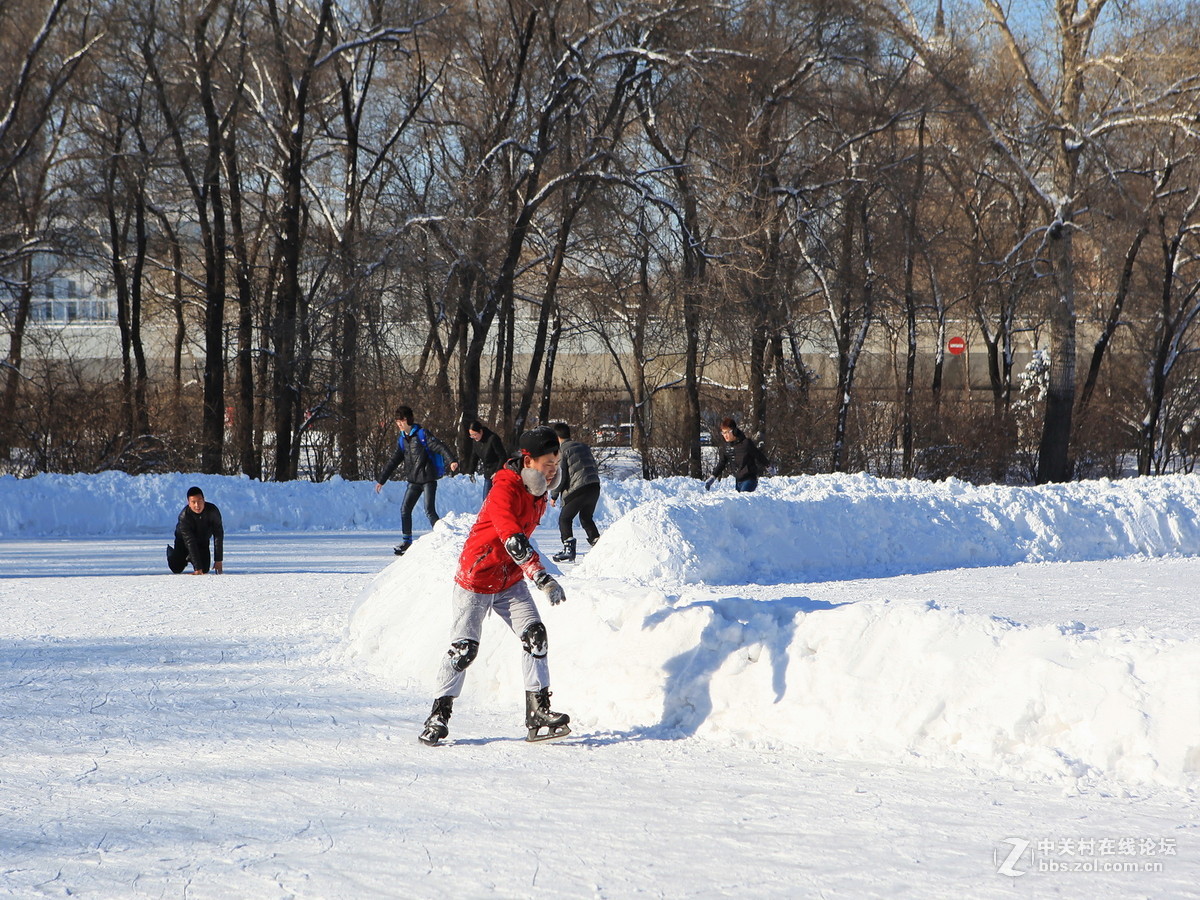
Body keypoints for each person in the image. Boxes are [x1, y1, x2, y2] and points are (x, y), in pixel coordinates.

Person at [419, 426, 571, 746]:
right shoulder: (504, 489)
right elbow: (513, 539)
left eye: (556, 462)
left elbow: (523, 542)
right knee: (464, 651)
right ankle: (438, 716)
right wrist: (541, 576)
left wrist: (529, 571)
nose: (553, 469)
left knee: (535, 636)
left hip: (509, 580)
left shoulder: (538, 492)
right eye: (548, 463)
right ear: (528, 462)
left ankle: (537, 711)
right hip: (477, 577)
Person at [374, 405, 459, 555]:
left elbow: (439, 446)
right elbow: (394, 461)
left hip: (428, 480)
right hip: (414, 481)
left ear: (406, 420)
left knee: (429, 510)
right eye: (397, 422)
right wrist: (382, 479)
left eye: (400, 421)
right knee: (405, 509)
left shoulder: (422, 434)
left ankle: (442, 538)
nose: (398, 424)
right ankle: (407, 542)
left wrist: (451, 460)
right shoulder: (402, 440)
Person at [548, 422, 601, 562]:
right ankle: (598, 544)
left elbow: (561, 475)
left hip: (579, 488)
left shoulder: (562, 451)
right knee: (586, 517)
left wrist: (553, 495)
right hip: (594, 486)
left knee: (564, 519)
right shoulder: (583, 446)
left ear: (556, 437)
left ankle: (568, 550)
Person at [167, 486, 224, 575]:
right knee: (176, 568)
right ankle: (172, 553)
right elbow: (190, 542)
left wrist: (218, 560)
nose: (197, 505)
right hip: (183, 543)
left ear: (204, 500)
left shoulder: (213, 511)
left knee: (204, 569)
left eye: (199, 501)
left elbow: (218, 535)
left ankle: (191, 557)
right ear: (189, 503)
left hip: (202, 541)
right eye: (193, 502)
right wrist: (197, 568)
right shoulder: (184, 516)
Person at [705, 416, 770, 493]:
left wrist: (768, 466)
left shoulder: (746, 443)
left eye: (727, 432)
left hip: (749, 479)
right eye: (723, 433)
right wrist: (713, 477)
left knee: (743, 499)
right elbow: (722, 463)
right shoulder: (725, 447)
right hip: (738, 481)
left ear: (734, 431)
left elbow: (758, 455)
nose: (725, 435)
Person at [464, 419, 508, 497]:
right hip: (488, 473)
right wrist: (471, 472)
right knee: (486, 499)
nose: (474, 437)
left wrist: (497, 472)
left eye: (475, 434)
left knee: (497, 498)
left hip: (498, 473)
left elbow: (502, 456)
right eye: (471, 435)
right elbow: (474, 456)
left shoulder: (493, 439)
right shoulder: (476, 441)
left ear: (480, 431)